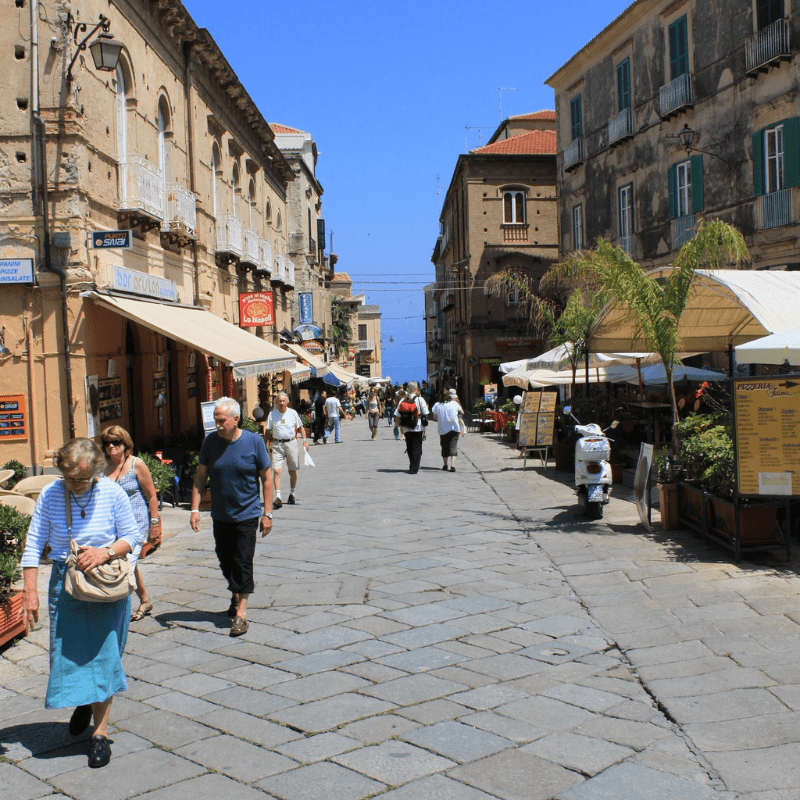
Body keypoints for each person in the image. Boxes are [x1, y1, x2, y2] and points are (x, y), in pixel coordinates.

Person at [20, 438, 140, 769]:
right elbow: (33, 545)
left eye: (83, 480)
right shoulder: (50, 494)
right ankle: (86, 701)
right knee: (69, 655)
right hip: (66, 584)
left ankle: (99, 734)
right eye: (70, 478)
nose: (76, 486)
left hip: (105, 584)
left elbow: (133, 537)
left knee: (104, 658)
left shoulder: (113, 493)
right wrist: (30, 591)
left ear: (96, 472)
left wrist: (106, 550)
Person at [190, 397, 273, 637]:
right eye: (215, 420)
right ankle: (236, 594)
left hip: (247, 514)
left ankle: (241, 614)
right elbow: (200, 476)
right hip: (221, 514)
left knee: (242, 560)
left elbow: (266, 478)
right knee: (225, 560)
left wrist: (267, 513)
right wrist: (195, 509)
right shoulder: (210, 442)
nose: (217, 424)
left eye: (221, 420)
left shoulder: (253, 442)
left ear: (236, 420)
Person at [101, 426, 161, 622]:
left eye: (116, 442)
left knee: (125, 565)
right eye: (107, 442)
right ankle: (145, 600)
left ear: (125, 444)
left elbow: (151, 496)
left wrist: (155, 524)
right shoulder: (102, 467)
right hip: (112, 525)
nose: (111, 446)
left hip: (136, 524)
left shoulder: (137, 464)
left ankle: (117, 612)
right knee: (126, 562)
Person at [266, 391, 308, 508]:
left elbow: (301, 428)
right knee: (277, 471)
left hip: (291, 443)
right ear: (276, 402)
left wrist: (305, 441)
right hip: (277, 445)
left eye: (284, 401)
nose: (282, 403)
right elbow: (267, 431)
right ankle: (278, 497)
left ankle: (292, 493)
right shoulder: (272, 415)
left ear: (287, 402)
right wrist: (265, 445)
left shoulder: (293, 413)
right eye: (280, 401)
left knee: (292, 471)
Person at [394, 381, 429, 474]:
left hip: (406, 427)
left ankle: (412, 464)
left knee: (409, 447)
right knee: (417, 447)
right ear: (415, 389)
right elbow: (426, 413)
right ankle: (415, 467)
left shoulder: (403, 400)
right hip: (418, 427)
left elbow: (397, 415)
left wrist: (395, 427)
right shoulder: (420, 399)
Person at [431, 388, 466, 471]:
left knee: (444, 446)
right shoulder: (454, 403)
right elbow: (462, 412)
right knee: (453, 445)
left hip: (442, 429)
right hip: (454, 428)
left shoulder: (437, 405)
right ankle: (453, 466)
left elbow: (434, 417)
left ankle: (445, 465)